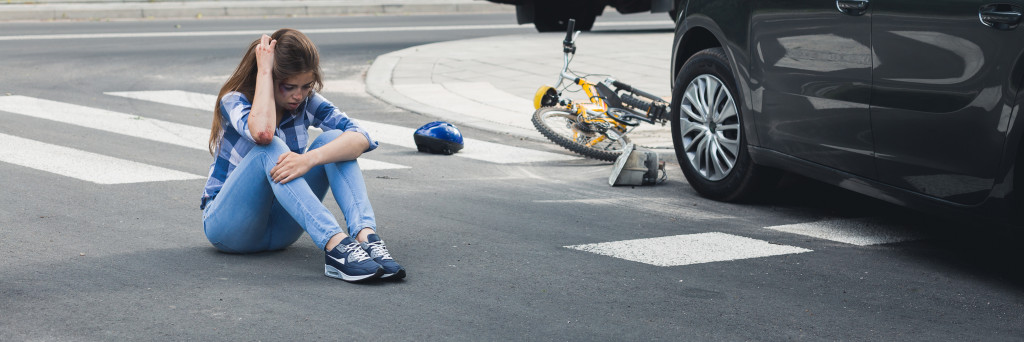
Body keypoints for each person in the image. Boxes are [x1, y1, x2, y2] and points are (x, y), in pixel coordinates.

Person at [199, 28, 404, 283]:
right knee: (269, 147)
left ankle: (366, 238)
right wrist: (264, 70)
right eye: (288, 87)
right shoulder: (235, 100)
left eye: (306, 86)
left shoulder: (306, 101)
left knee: (333, 140)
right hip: (229, 227)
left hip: (281, 230)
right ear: (270, 77)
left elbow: (361, 137)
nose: (298, 95)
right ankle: (335, 245)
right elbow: (263, 133)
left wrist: (309, 159)